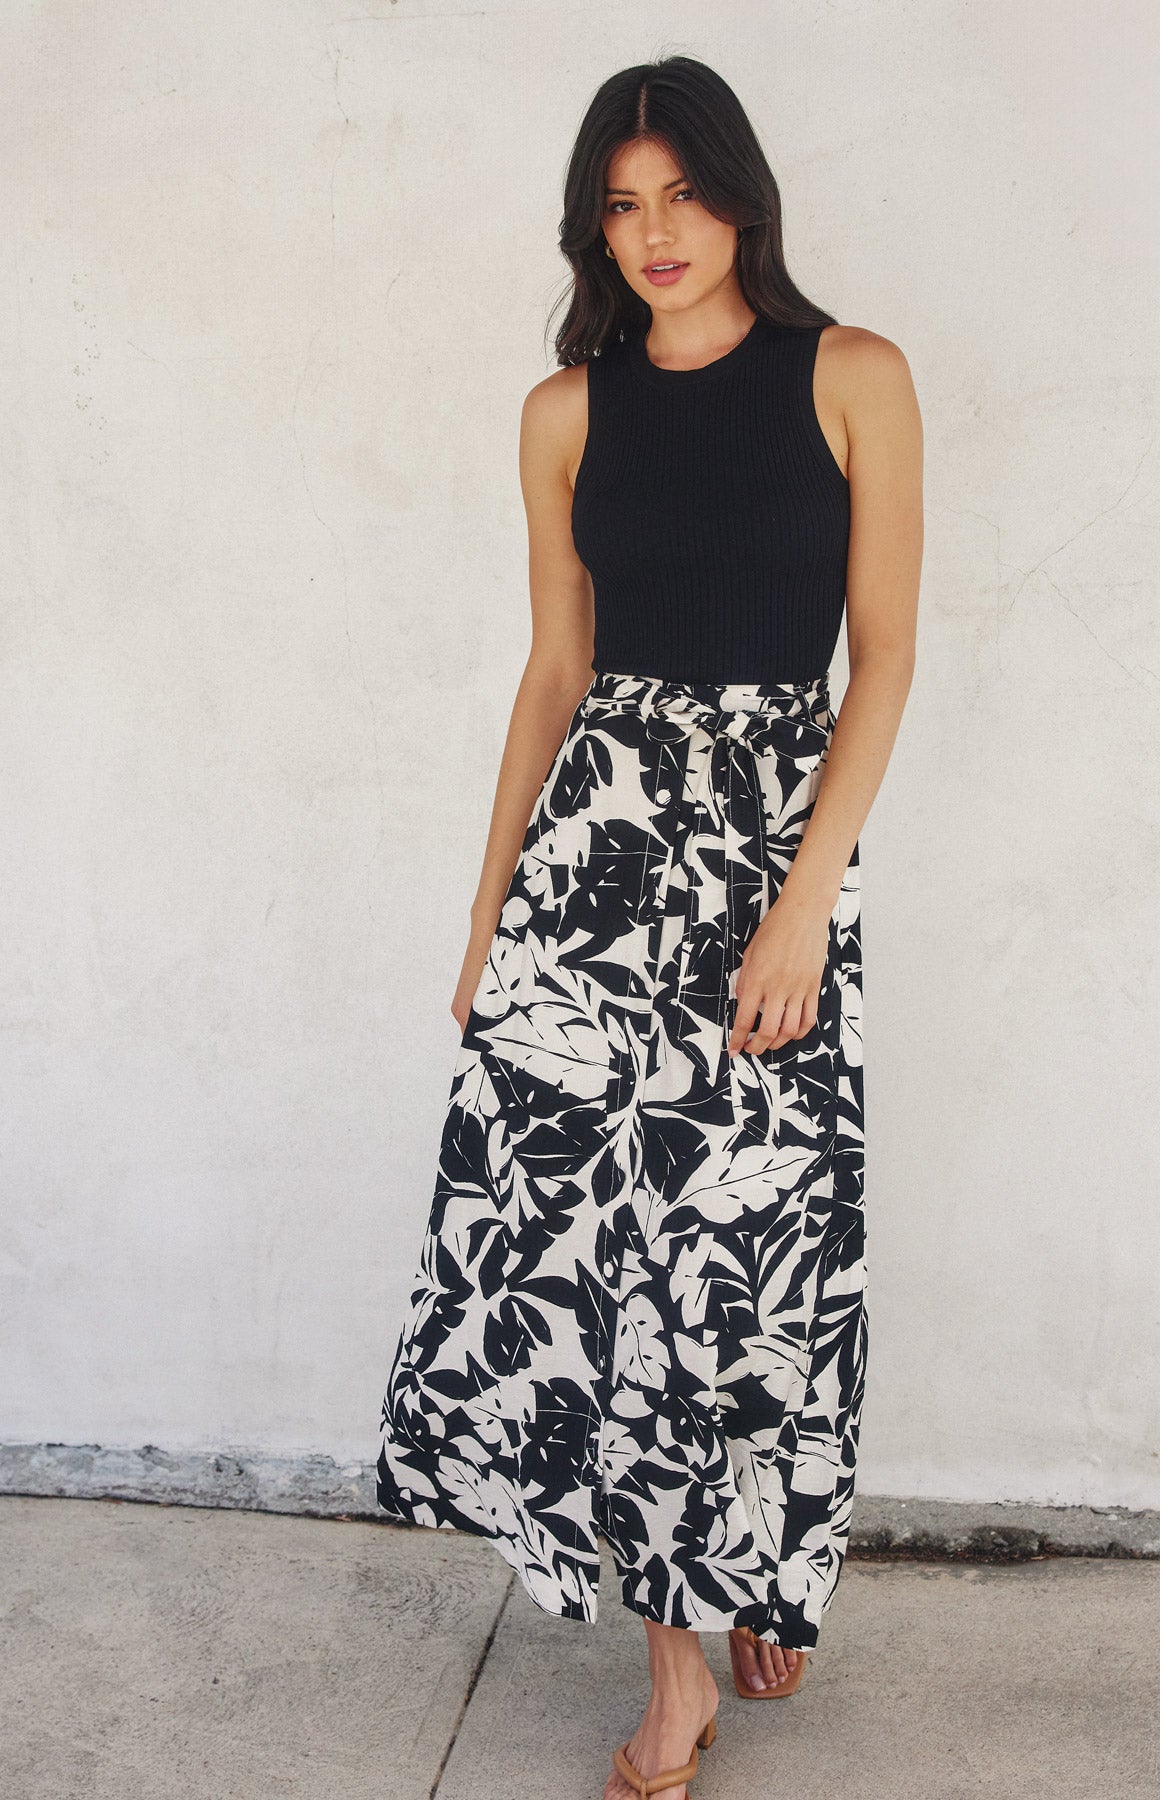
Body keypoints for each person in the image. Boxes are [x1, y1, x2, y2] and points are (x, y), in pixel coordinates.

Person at [377, 53, 922, 1800]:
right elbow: (556, 672)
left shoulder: (854, 376)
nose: (656, 232)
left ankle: (765, 1564)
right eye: (622, 206)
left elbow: (883, 659)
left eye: (682, 194)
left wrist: (804, 906)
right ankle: (676, 1668)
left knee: (750, 1257)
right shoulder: (565, 410)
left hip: (771, 863)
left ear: (741, 197)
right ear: (593, 230)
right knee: (588, 1263)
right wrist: (489, 918)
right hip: (592, 872)